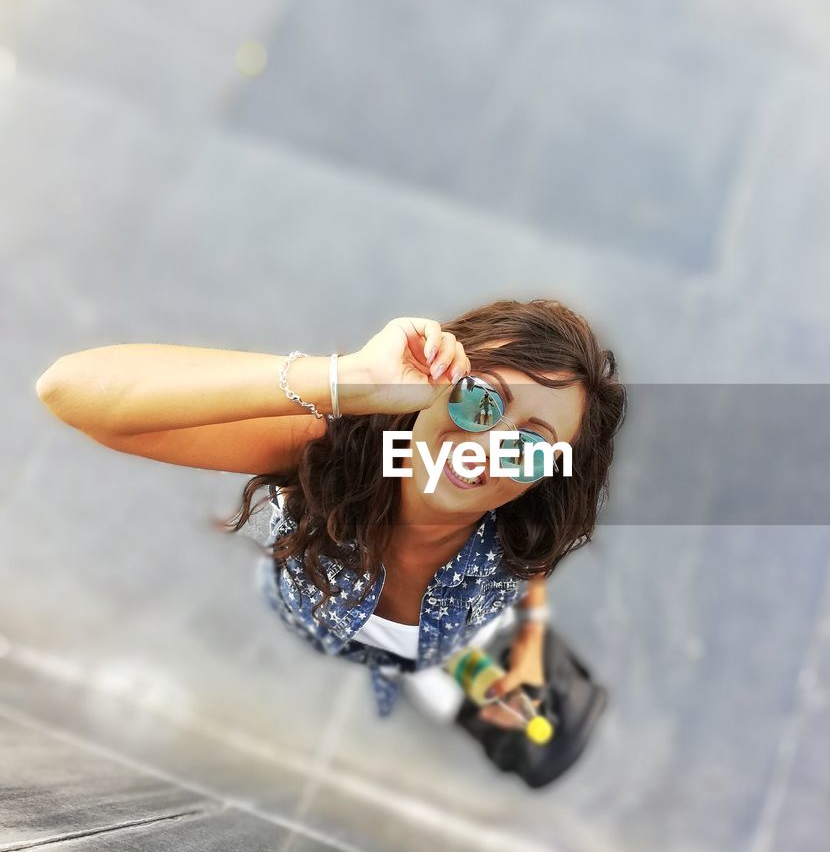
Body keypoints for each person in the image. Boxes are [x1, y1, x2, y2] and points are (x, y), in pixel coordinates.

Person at [34, 299, 626, 775]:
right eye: (480, 398)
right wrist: (347, 380)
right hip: (302, 602)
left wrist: (528, 647)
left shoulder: (521, 522)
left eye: (529, 445)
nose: (484, 447)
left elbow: (535, 558)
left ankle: (431, 672)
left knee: (439, 665)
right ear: (436, 383)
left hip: (451, 645)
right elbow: (69, 390)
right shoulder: (338, 450)